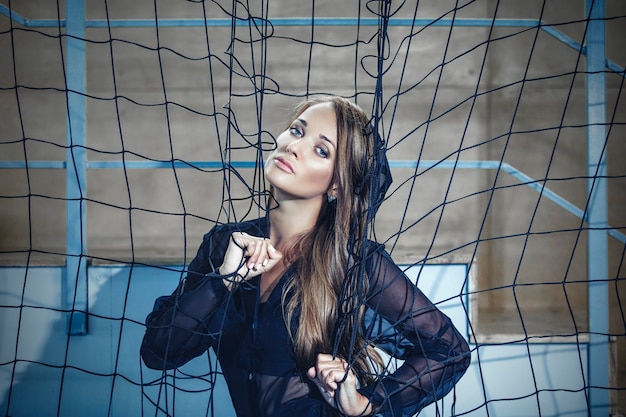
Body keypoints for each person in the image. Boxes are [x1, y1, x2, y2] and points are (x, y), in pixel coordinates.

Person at [140, 96, 470, 417]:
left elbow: (449, 353)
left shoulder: (353, 260)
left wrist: (365, 403)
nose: (293, 146)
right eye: (297, 131)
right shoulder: (226, 244)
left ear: (337, 185)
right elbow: (159, 353)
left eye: (321, 150)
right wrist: (224, 281)